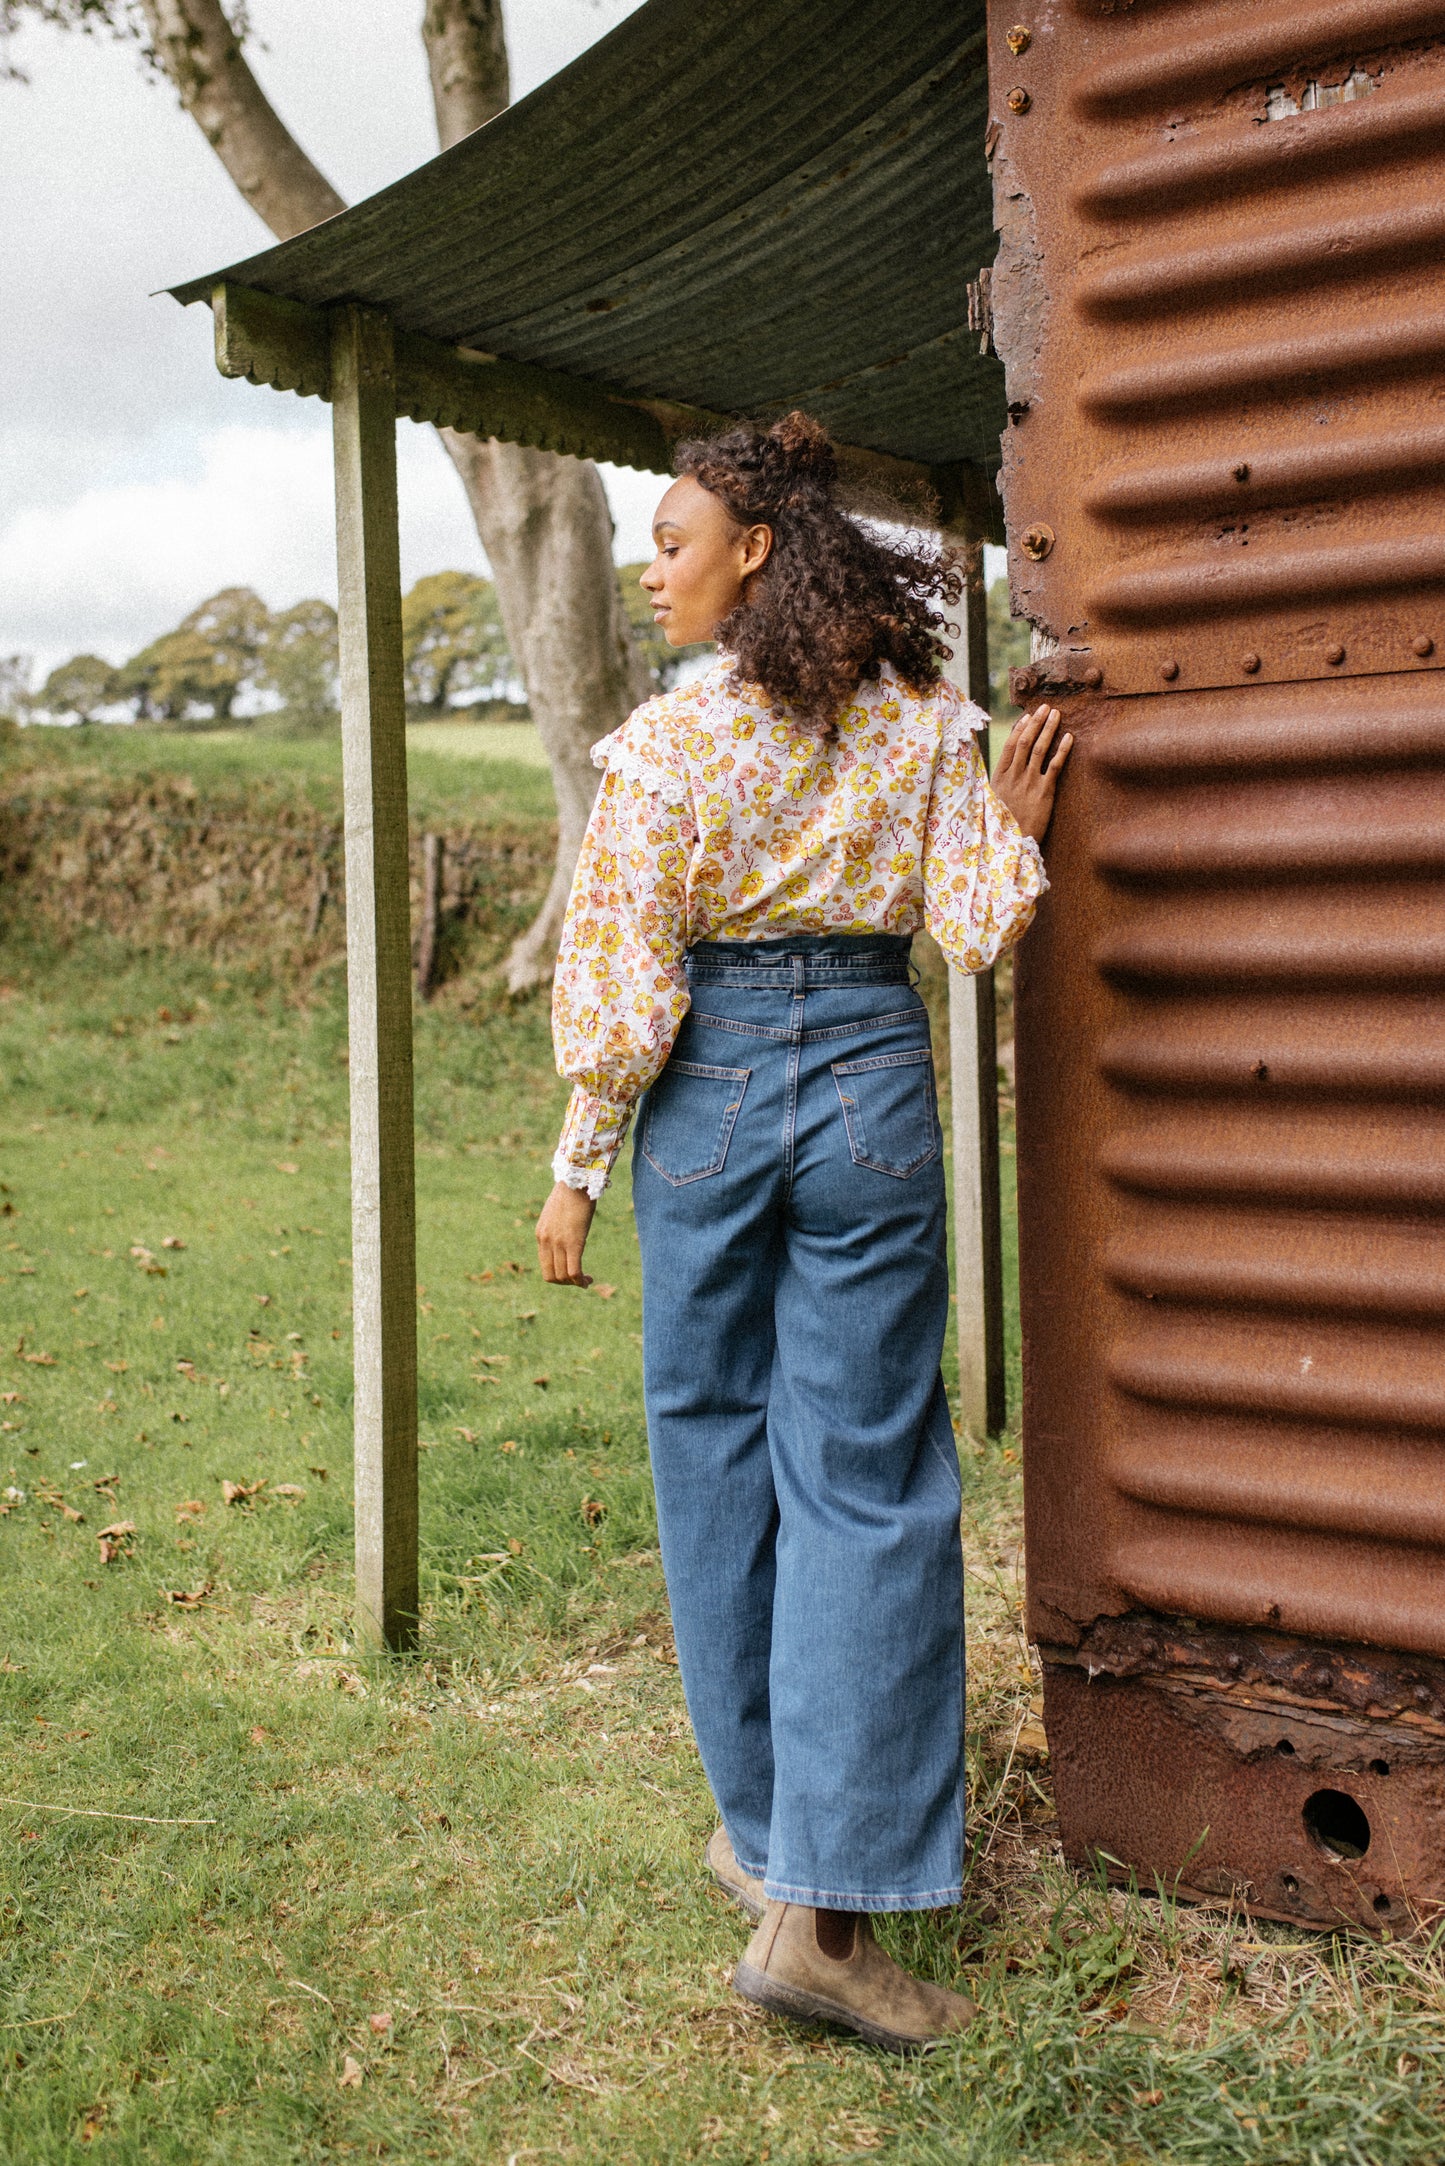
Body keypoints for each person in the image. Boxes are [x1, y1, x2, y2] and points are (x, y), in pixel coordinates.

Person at [535, 412, 1069, 2052]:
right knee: (862, 1472)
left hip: (698, 1104)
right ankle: (818, 1904)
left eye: (674, 538)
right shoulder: (921, 721)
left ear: (757, 549)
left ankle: (769, 1837)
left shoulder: (662, 749)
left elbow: (623, 989)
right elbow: (975, 931)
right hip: (859, 1082)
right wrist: (1022, 821)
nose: (654, 564)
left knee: (710, 1449)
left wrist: (577, 1167)